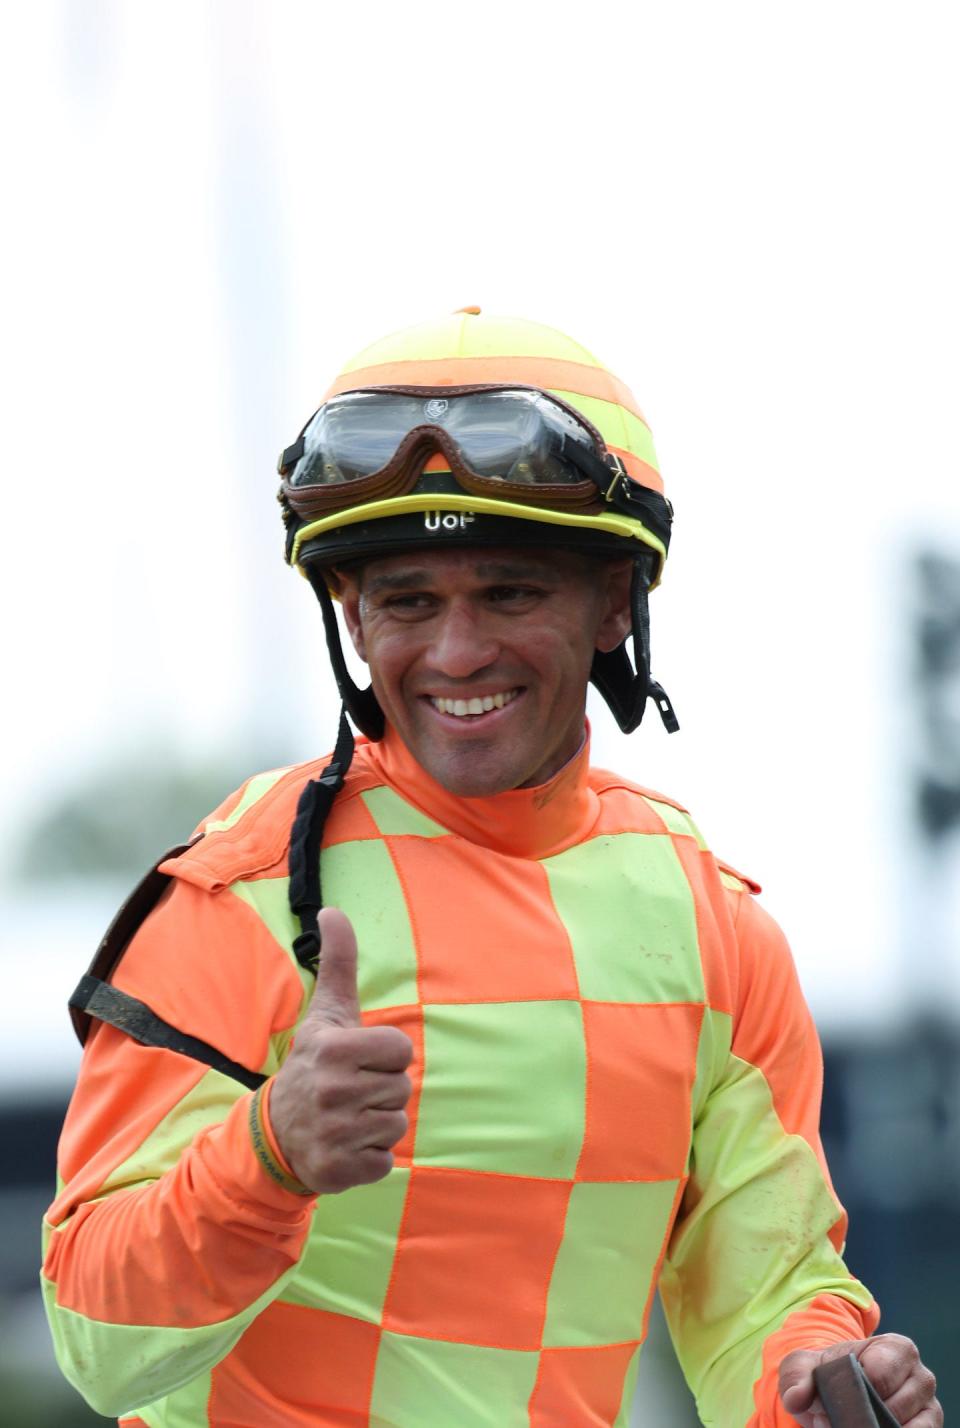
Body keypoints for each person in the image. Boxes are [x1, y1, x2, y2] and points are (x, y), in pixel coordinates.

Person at [42, 309, 940, 1427]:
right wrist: (266, 1159)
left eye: (509, 592)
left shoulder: (711, 921)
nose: (457, 652)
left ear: (616, 601)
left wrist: (816, 1379)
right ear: (354, 621)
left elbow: (762, 1290)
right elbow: (97, 1342)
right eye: (408, 602)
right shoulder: (239, 898)